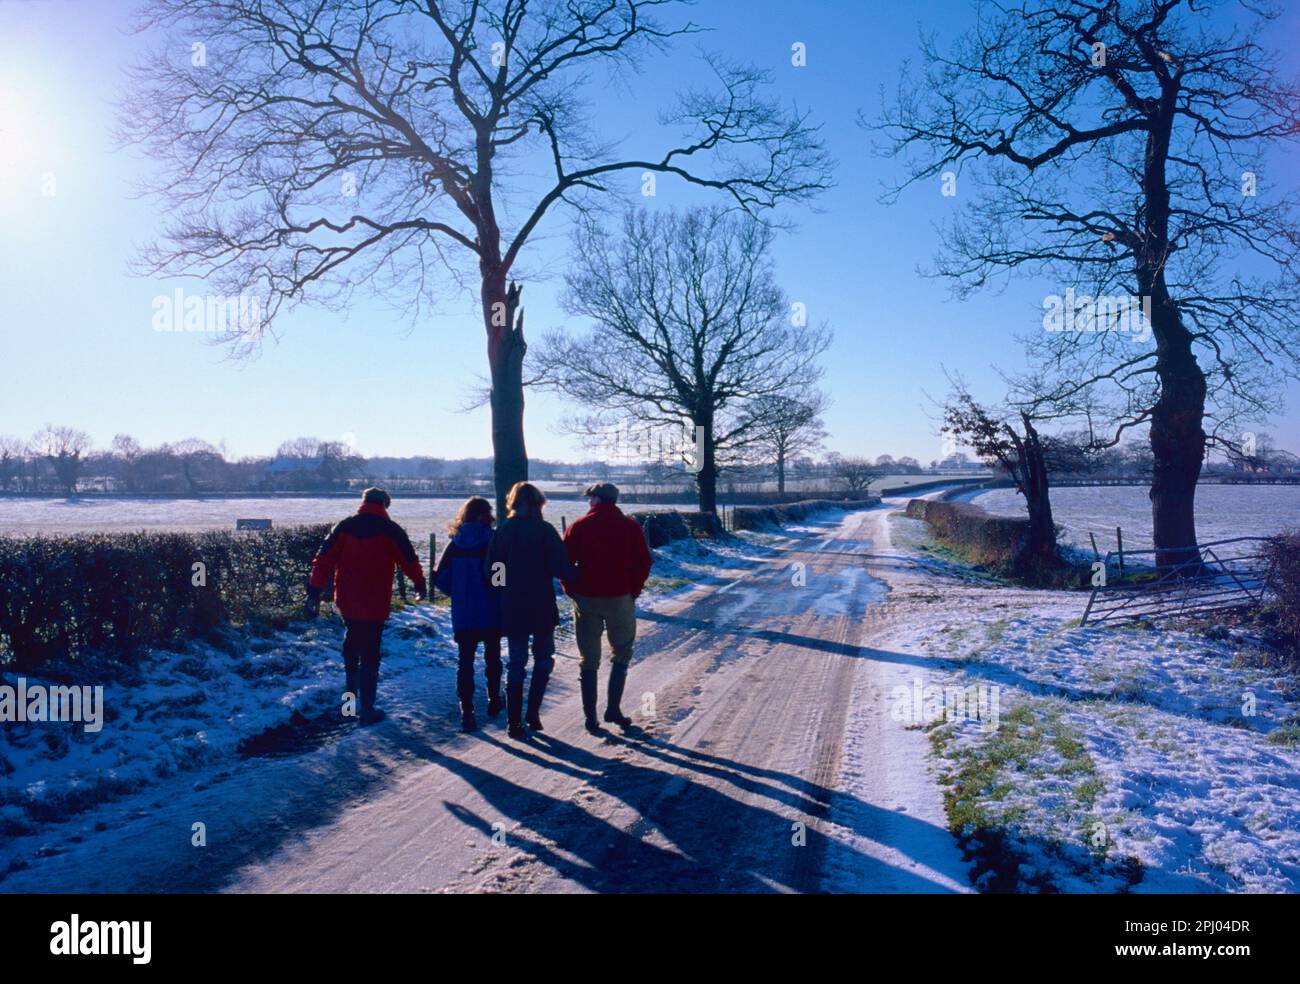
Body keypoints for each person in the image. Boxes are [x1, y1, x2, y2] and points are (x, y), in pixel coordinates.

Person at [305, 487, 426, 725]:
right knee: (371, 652)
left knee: (351, 650)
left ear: (363, 502)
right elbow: (409, 561)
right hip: (375, 601)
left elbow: (323, 561)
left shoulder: (344, 526)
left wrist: (314, 592)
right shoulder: (391, 530)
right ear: (385, 505)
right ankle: (367, 709)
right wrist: (420, 585)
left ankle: (349, 707)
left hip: (348, 600)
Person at [486, 481, 576, 739]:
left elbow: (494, 570)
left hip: (513, 605)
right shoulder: (545, 531)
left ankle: (513, 722)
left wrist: (502, 590)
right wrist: (581, 576)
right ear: (539, 503)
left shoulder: (504, 531)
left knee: (516, 663)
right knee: (544, 658)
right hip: (541, 604)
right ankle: (533, 713)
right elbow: (561, 567)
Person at [562, 483, 652, 734]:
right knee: (621, 653)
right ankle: (613, 709)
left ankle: (590, 718)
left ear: (598, 499)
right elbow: (643, 562)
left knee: (588, 659)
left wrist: (572, 589)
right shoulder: (630, 527)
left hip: (587, 598)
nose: (588, 502)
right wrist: (633, 590)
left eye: (590, 498)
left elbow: (564, 562)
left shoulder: (578, 526)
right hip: (619, 597)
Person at [434, 496, 503, 732]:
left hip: (463, 613)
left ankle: (467, 712)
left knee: (465, 662)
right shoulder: (493, 541)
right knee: (493, 658)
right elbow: (499, 579)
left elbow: (440, 579)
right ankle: (494, 701)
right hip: (491, 611)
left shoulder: (454, 544)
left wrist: (459, 590)